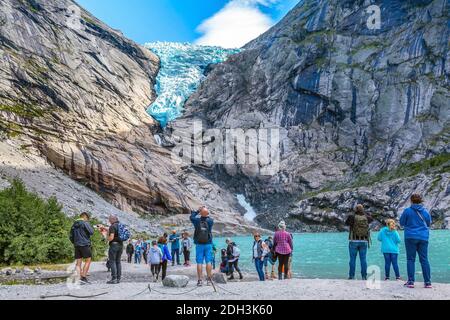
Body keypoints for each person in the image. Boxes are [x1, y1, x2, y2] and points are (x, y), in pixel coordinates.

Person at [400, 193, 432, 289]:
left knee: (410, 259)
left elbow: (401, 223)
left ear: (411, 200)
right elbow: (429, 223)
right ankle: (427, 282)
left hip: (410, 237)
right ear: (421, 200)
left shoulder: (407, 211)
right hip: (423, 237)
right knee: (424, 259)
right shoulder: (425, 212)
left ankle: (410, 282)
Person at [190, 206, 214, 287]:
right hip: (208, 243)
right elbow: (208, 216)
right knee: (208, 261)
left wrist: (198, 210)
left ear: (201, 213)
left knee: (199, 262)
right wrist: (205, 212)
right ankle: (209, 280)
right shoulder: (211, 221)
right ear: (207, 214)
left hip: (199, 244)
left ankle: (200, 280)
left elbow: (191, 217)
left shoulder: (196, 220)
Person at [69, 212, 94, 284]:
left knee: (78, 262)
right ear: (85, 217)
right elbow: (91, 232)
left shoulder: (74, 224)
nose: (87, 220)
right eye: (87, 219)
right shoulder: (85, 223)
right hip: (85, 244)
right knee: (88, 260)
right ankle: (83, 277)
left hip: (77, 245)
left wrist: (75, 242)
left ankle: (78, 278)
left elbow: (71, 236)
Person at [105, 214, 123, 284]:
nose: (109, 221)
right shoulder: (120, 225)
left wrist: (107, 239)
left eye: (109, 219)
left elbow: (111, 237)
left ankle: (114, 278)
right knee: (118, 261)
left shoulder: (112, 226)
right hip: (121, 245)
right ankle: (118, 278)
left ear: (113, 219)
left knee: (112, 261)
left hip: (114, 245)